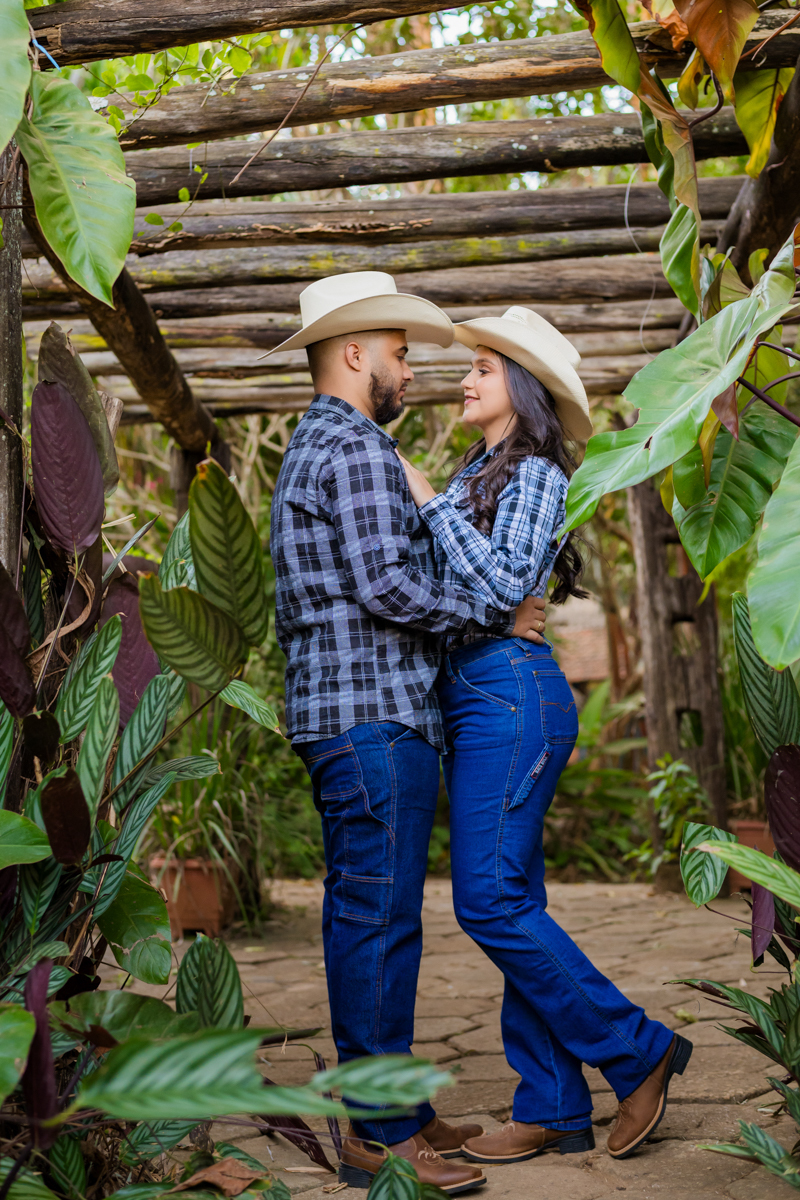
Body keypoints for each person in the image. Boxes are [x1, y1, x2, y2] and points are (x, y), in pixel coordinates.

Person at [268, 272, 548, 1194]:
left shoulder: (336, 444)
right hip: (369, 718)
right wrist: (493, 617)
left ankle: (399, 1109)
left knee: (378, 915)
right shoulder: (351, 447)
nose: (409, 372)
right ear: (354, 355)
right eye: (397, 354)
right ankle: (379, 1132)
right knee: (377, 922)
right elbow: (388, 585)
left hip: (364, 716)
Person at [397, 305, 692, 1166]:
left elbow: (502, 581)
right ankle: (554, 1106)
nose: (464, 377)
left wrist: (426, 504)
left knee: (485, 899)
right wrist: (438, 513)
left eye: (482, 369)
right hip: (476, 693)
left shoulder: (532, 476)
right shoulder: (474, 474)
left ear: (520, 392)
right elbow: (450, 587)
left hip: (510, 697)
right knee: (513, 900)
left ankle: (637, 1052)